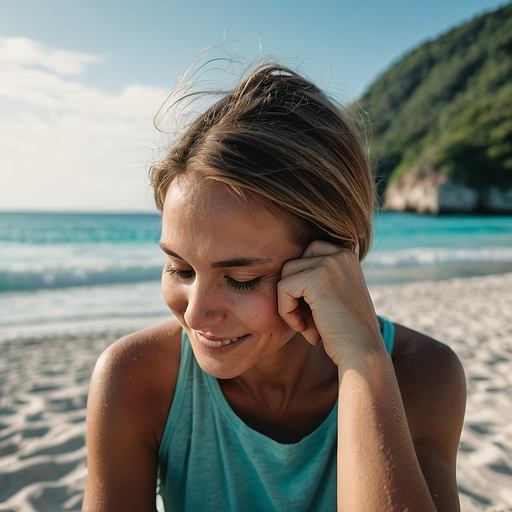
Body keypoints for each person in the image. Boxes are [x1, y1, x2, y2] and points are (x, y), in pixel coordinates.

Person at [83, 62, 466, 512]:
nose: (195, 314)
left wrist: (362, 356)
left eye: (241, 279)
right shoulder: (136, 378)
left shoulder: (421, 375)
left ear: (329, 263)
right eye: (180, 269)